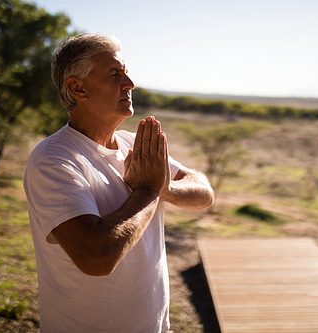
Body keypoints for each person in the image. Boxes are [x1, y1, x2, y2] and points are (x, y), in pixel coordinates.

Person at [23, 33, 214, 333]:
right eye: (114, 74)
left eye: (126, 71)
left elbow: (204, 192)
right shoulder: (54, 160)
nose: (130, 83)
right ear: (78, 88)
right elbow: (97, 259)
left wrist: (163, 186)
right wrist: (149, 190)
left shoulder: (134, 145)